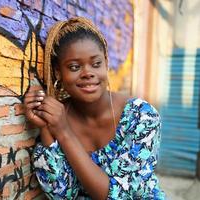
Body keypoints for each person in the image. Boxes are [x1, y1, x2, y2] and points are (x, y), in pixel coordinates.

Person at [24, 17, 165, 200]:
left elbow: (118, 196)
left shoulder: (142, 118)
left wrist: (64, 132)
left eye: (96, 64)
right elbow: (63, 195)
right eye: (74, 67)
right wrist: (45, 127)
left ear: (106, 63)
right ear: (58, 72)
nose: (88, 73)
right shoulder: (57, 117)